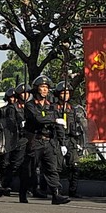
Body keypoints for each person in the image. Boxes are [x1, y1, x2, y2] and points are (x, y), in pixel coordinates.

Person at [20, 76, 70, 205]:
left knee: (51, 169)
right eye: (42, 87)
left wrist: (62, 142)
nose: (44, 90)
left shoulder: (51, 106)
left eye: (46, 88)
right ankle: (23, 191)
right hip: (35, 141)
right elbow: (37, 119)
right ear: (37, 89)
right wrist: (53, 120)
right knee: (30, 170)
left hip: (49, 141)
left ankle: (56, 194)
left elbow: (58, 126)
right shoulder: (30, 105)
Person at [55, 81, 83, 198]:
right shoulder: (54, 107)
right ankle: (55, 191)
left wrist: (80, 141)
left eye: (67, 93)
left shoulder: (73, 108)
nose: (65, 95)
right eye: (63, 93)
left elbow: (78, 124)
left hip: (71, 140)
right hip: (58, 140)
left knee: (75, 166)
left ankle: (73, 191)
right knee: (56, 167)